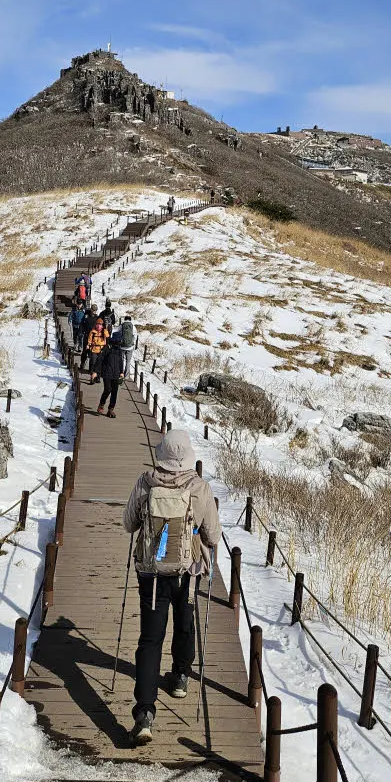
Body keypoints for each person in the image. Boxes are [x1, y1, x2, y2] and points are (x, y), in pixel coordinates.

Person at [121, 429, 219, 745]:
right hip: (188, 571)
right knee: (185, 625)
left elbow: (128, 524)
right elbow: (212, 536)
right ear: (188, 456)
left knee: (150, 639)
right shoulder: (199, 487)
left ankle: (144, 714)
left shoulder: (145, 482)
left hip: (150, 572)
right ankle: (179, 677)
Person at [96, 338, 122, 418]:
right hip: (107, 373)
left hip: (116, 374)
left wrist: (121, 372)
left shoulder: (119, 350)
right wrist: (96, 372)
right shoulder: (107, 348)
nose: (119, 344)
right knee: (107, 389)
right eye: (118, 342)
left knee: (114, 392)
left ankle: (110, 409)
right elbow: (100, 359)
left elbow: (121, 361)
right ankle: (101, 404)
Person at [85, 316, 108, 382]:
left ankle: (98, 377)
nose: (99, 326)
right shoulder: (92, 332)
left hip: (101, 349)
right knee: (93, 362)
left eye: (100, 324)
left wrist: (105, 330)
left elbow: (108, 337)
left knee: (100, 363)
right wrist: (88, 345)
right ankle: (92, 376)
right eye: (98, 324)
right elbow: (89, 339)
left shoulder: (104, 331)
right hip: (94, 349)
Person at [79, 306, 99, 371]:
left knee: (92, 353)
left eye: (95, 310)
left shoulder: (97, 318)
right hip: (87, 336)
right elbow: (82, 324)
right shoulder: (86, 316)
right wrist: (81, 331)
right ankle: (82, 363)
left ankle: (91, 369)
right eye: (93, 310)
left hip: (94, 337)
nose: (94, 311)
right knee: (85, 351)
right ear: (91, 309)